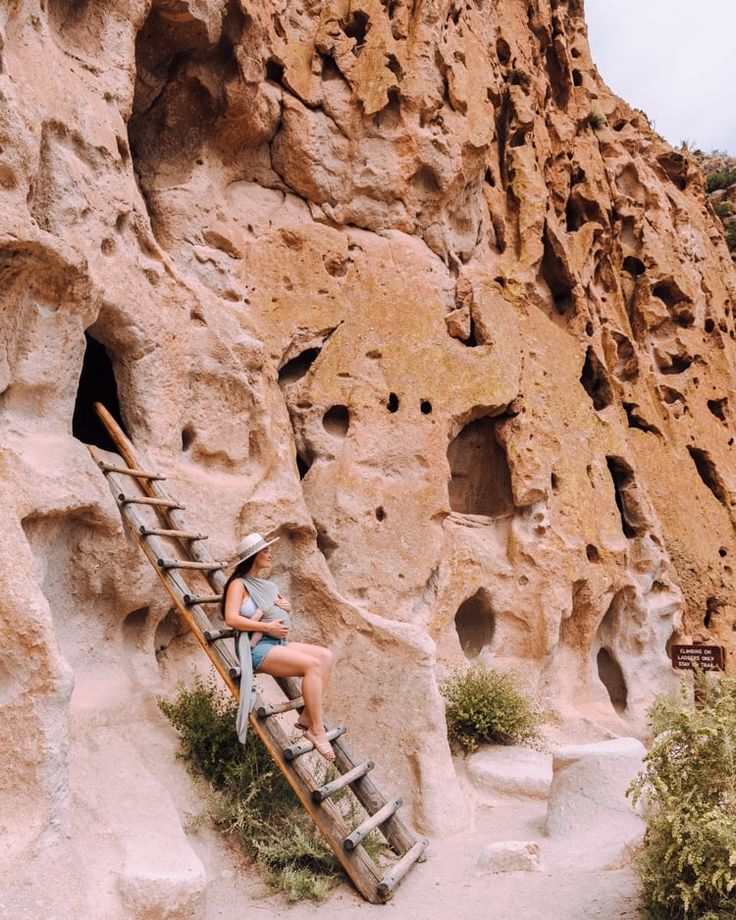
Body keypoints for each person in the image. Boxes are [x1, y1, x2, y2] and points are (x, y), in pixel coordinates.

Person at [222, 532, 336, 761]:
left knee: (326, 656)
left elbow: (273, 608)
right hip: (258, 647)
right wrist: (267, 628)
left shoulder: (266, 584)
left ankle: (306, 717)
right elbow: (231, 619)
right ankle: (317, 729)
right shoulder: (238, 584)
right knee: (313, 666)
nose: (270, 553)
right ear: (254, 556)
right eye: (265, 550)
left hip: (278, 642)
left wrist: (288, 608)